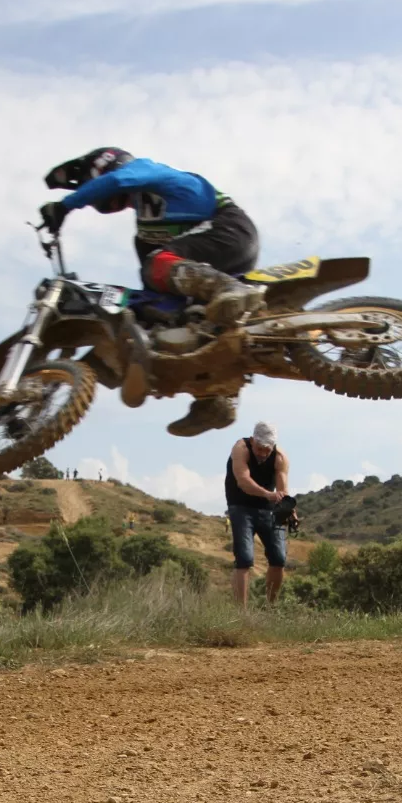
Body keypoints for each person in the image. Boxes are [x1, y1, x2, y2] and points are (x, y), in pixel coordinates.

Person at [40, 147, 264, 437]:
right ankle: (216, 401)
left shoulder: (148, 172)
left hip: (228, 230)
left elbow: (119, 181)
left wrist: (66, 205)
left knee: (155, 263)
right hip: (212, 254)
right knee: (189, 321)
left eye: (90, 182)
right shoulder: (146, 230)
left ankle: (226, 287)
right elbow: (157, 285)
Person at [225, 421, 291, 606]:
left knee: (279, 558)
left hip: (269, 509)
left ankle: (270, 607)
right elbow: (243, 481)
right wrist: (268, 494)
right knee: (244, 559)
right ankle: (242, 614)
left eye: (267, 450)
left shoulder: (280, 457)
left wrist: (288, 509)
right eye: (259, 448)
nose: (262, 453)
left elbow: (282, 490)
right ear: (253, 440)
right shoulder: (241, 448)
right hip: (240, 506)